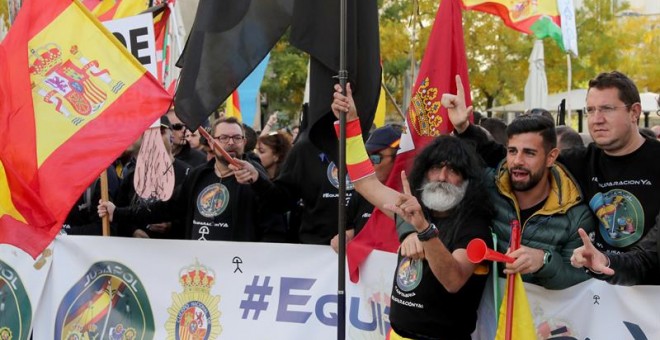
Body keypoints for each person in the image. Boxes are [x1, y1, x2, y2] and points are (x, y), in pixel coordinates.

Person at [445, 72, 660, 284]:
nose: (597, 119)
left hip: (648, 299)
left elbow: (650, 255)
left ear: (635, 112)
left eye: (607, 109)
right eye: (591, 110)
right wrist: (465, 128)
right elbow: (514, 160)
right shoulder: (580, 161)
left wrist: (606, 261)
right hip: (597, 295)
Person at [332, 83, 493, 339]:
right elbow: (365, 182)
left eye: (453, 170)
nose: (442, 176)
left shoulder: (474, 226)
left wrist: (423, 231)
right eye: (436, 167)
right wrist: (350, 124)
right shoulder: (414, 208)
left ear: (466, 180)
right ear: (424, 171)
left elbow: (453, 280)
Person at [98, 117, 277, 242]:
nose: (230, 142)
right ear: (212, 143)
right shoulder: (198, 176)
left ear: (244, 142)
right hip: (199, 268)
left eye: (237, 137)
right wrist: (118, 212)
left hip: (236, 270)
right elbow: (168, 208)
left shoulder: (254, 178)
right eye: (223, 138)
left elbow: (274, 225)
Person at [330, 124, 401, 252]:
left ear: (398, 159)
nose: (369, 162)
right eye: (366, 156)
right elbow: (350, 230)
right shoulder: (360, 194)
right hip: (368, 269)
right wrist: (344, 238)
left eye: (375, 157)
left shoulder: (413, 196)